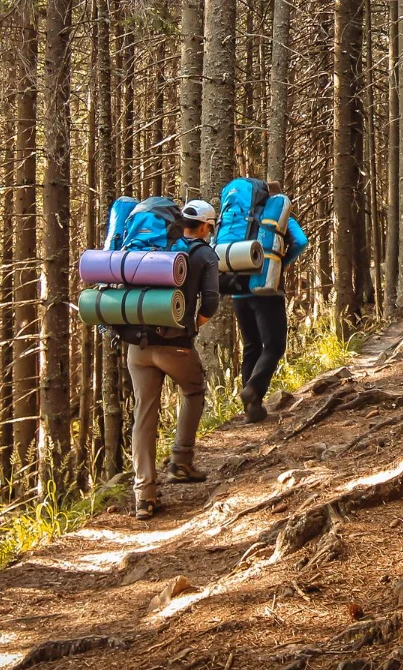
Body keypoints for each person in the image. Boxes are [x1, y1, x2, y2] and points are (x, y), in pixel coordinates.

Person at [127, 199, 221, 521]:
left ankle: (144, 495)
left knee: (144, 414)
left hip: (137, 347)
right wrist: (191, 324)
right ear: (206, 226)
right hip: (175, 346)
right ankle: (180, 461)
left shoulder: (155, 251)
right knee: (194, 391)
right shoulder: (204, 254)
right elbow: (210, 303)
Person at [235, 184, 308, 424]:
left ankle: (253, 409)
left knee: (251, 346)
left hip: (237, 291)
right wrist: (282, 263)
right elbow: (300, 241)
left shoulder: (239, 216)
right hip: (267, 288)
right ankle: (254, 388)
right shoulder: (277, 215)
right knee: (274, 345)